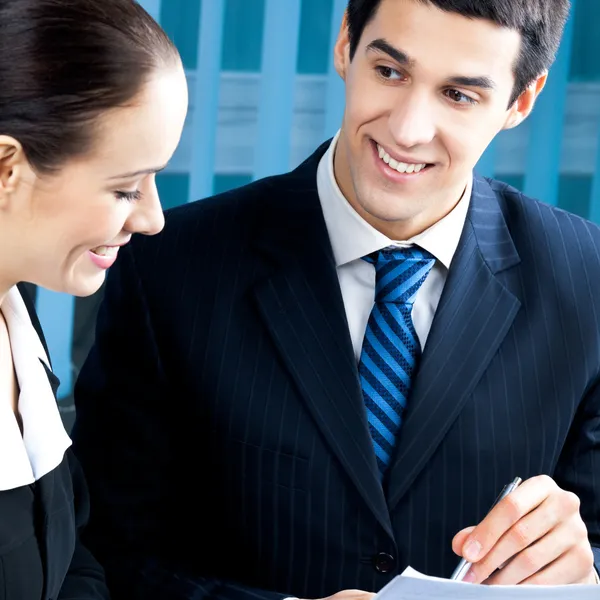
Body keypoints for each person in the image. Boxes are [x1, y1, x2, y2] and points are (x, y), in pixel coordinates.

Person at [72, 0, 600, 598]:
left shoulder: (588, 280)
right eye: (390, 72)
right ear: (347, 43)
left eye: (458, 95)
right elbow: (104, 551)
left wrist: (585, 573)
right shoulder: (166, 266)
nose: (406, 130)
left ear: (522, 101)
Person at [0, 0, 188, 598]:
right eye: (126, 188)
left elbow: (69, 560)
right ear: (7, 167)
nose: (154, 219)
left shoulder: (17, 312)